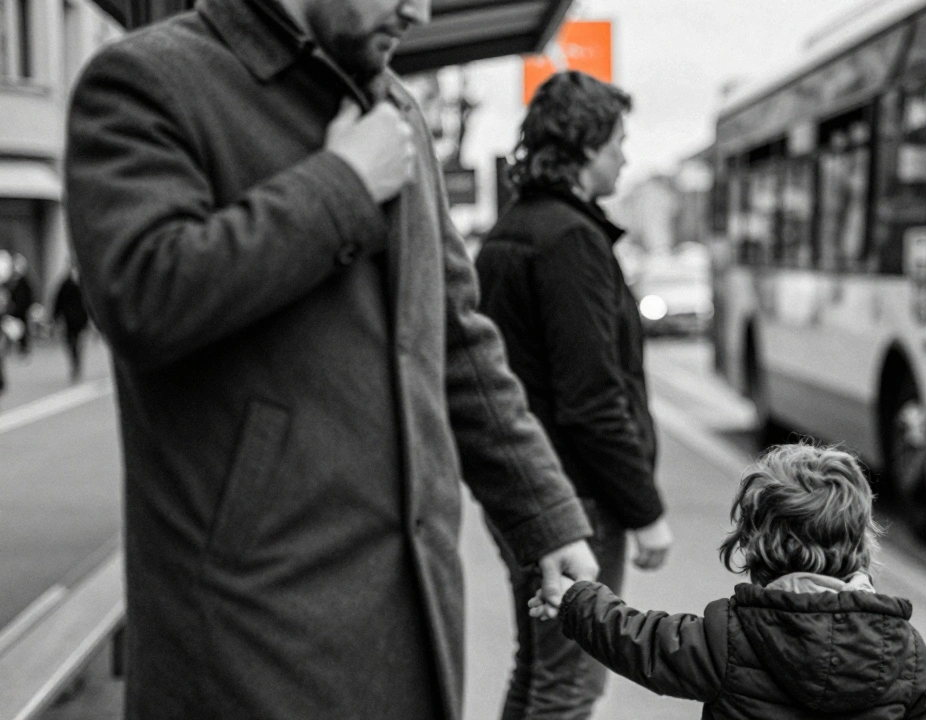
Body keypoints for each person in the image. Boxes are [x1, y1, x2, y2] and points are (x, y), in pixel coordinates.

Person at [63, 1, 598, 718]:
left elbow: (455, 338)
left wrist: (543, 515)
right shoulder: (145, 79)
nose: (420, 9)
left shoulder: (395, 107)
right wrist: (343, 184)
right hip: (249, 637)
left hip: (412, 611)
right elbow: (140, 294)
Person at [475, 70, 673, 720]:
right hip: (575, 496)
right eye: (618, 140)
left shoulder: (514, 229)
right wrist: (645, 510)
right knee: (572, 681)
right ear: (586, 147)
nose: (626, 155)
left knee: (540, 667)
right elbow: (592, 400)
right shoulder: (570, 242)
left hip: (527, 485)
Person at [531, 443, 926, 720]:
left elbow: (637, 639)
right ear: (862, 538)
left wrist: (576, 599)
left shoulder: (730, 639)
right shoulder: (904, 650)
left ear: (754, 543)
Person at [52, 269, 90, 382]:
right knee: (70, 342)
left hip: (80, 319)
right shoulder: (66, 284)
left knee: (77, 342)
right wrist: (55, 316)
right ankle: (75, 361)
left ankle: (76, 361)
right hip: (69, 319)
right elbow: (58, 301)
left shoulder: (82, 284)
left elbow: (89, 302)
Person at [6, 254, 33, 356]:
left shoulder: (24, 282)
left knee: (22, 330)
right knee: (14, 329)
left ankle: (23, 348)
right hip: (15, 310)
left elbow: (29, 296)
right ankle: (18, 347)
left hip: (22, 310)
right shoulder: (13, 282)